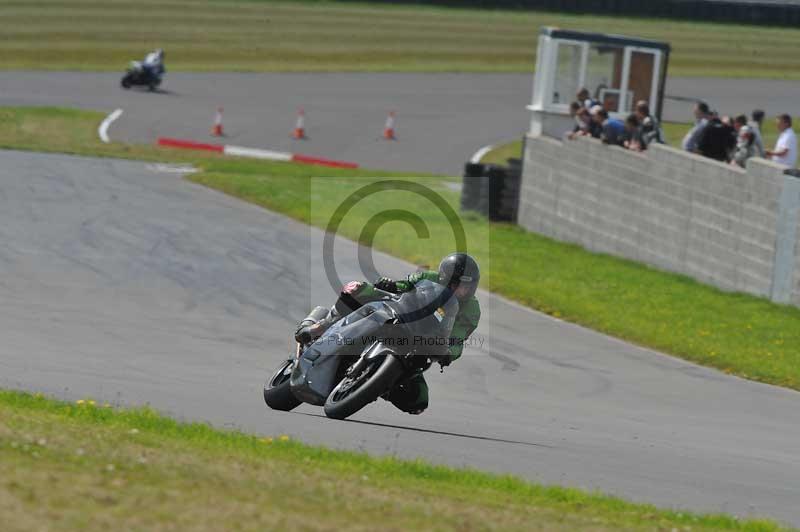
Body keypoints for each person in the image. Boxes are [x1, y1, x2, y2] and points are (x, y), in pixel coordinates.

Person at [294, 253, 482, 414]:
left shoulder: (472, 309)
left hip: (423, 344)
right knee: (357, 289)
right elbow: (404, 286)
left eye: (467, 286)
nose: (462, 291)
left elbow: (458, 337)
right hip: (398, 315)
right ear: (444, 279)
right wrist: (391, 285)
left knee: (418, 402)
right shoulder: (428, 277)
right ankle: (320, 326)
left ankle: (377, 384)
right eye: (457, 285)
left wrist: (449, 353)